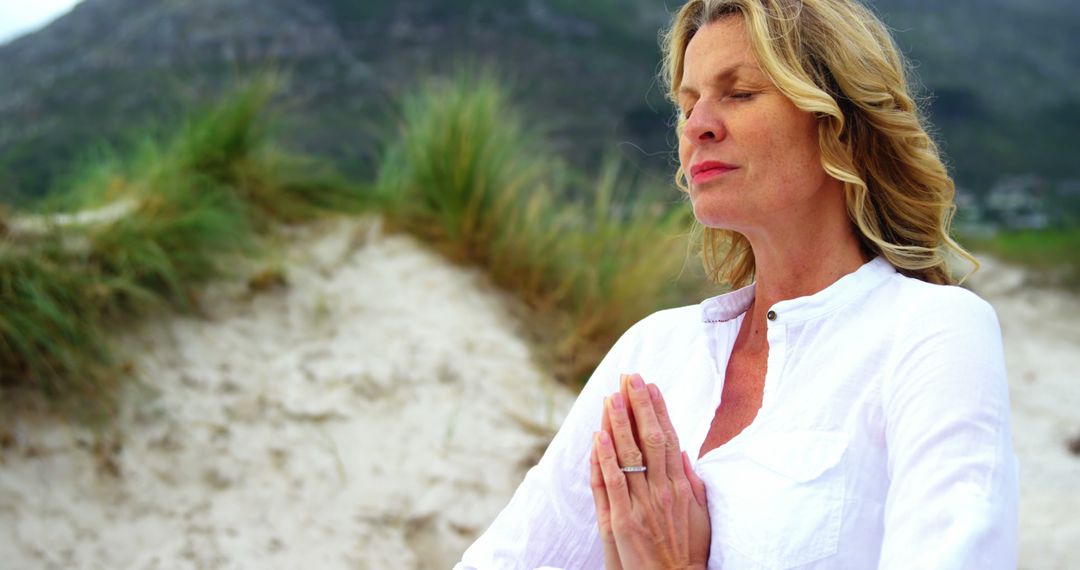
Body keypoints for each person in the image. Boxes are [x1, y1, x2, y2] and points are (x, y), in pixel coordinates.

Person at [456, 0, 1019, 568]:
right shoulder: (651, 353)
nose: (698, 125)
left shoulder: (931, 333)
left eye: (740, 93)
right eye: (687, 103)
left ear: (840, 125)